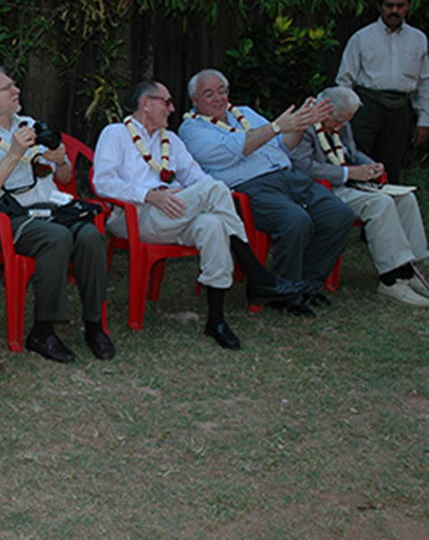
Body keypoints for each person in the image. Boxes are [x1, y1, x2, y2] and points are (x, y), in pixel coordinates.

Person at [94, 81, 309, 349]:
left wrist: (190, 193)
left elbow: (198, 177)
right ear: (145, 103)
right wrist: (148, 195)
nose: (172, 108)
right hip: (136, 217)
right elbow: (103, 183)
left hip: (175, 214)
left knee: (212, 223)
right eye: (166, 102)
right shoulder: (115, 134)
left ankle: (216, 320)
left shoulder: (170, 140)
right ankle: (257, 275)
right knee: (214, 190)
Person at [0, 65, 114, 362]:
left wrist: (61, 158)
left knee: (91, 236)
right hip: (7, 220)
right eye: (7, 88)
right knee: (56, 237)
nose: (17, 91)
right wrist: (14, 154)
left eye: (14, 86)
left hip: (52, 208)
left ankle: (95, 325)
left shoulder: (28, 124)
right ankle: (42, 330)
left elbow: (64, 176)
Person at [177, 68, 354, 318]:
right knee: (295, 220)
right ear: (195, 100)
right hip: (250, 188)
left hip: (288, 176)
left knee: (340, 214)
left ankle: (306, 285)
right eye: (209, 94)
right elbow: (237, 148)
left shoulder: (245, 113)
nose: (218, 98)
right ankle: (284, 296)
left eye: (222, 91)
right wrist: (277, 126)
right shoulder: (191, 129)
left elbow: (285, 144)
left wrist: (300, 124)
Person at [291, 86, 429, 306]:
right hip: (322, 191)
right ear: (324, 110)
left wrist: (369, 165)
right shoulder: (303, 125)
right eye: (338, 121)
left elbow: (352, 153)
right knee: (380, 203)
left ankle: (408, 270)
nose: (341, 126)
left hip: (350, 184)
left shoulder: (341, 123)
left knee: (406, 198)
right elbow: (303, 167)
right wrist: (348, 172)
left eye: (345, 121)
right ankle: (391, 280)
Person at [336, 0, 429, 182]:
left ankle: (390, 208)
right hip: (367, 105)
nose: (394, 11)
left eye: (400, 5)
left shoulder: (418, 39)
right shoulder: (362, 38)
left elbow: (424, 82)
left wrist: (424, 119)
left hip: (400, 109)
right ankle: (358, 208)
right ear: (379, 6)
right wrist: (343, 117)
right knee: (358, 159)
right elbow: (344, 81)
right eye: (389, 5)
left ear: (408, 6)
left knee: (392, 164)